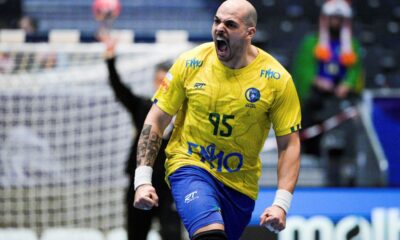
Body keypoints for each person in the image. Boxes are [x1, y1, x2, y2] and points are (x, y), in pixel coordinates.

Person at [133, 1, 301, 239]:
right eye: (216, 21)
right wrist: (142, 180)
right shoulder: (190, 63)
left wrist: (281, 203)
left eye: (230, 24)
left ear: (249, 32)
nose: (220, 28)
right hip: (189, 165)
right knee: (210, 233)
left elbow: (289, 144)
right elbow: (157, 119)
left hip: (239, 185)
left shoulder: (277, 80)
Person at [101, 36, 182, 240]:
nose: (162, 85)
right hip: (140, 182)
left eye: (166, 82)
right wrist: (110, 60)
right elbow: (120, 90)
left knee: (172, 233)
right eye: (158, 81)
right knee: (136, 234)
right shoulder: (144, 107)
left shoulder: (183, 112)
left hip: (169, 185)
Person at [292, 0, 363, 157]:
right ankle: (308, 153)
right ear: (325, 19)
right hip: (317, 94)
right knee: (309, 116)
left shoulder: (352, 45)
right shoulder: (311, 42)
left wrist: (348, 83)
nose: (336, 22)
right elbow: (303, 69)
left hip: (341, 94)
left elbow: (355, 70)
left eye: (339, 19)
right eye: (333, 18)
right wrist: (316, 80)